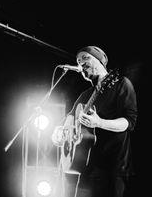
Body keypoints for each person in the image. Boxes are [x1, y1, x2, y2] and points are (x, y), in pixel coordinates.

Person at [51, 46, 138, 197]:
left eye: (86, 58)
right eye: (78, 61)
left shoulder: (121, 83)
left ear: (100, 61)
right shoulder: (85, 95)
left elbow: (129, 122)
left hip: (114, 170)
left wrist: (100, 123)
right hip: (87, 171)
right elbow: (69, 120)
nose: (81, 64)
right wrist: (59, 133)